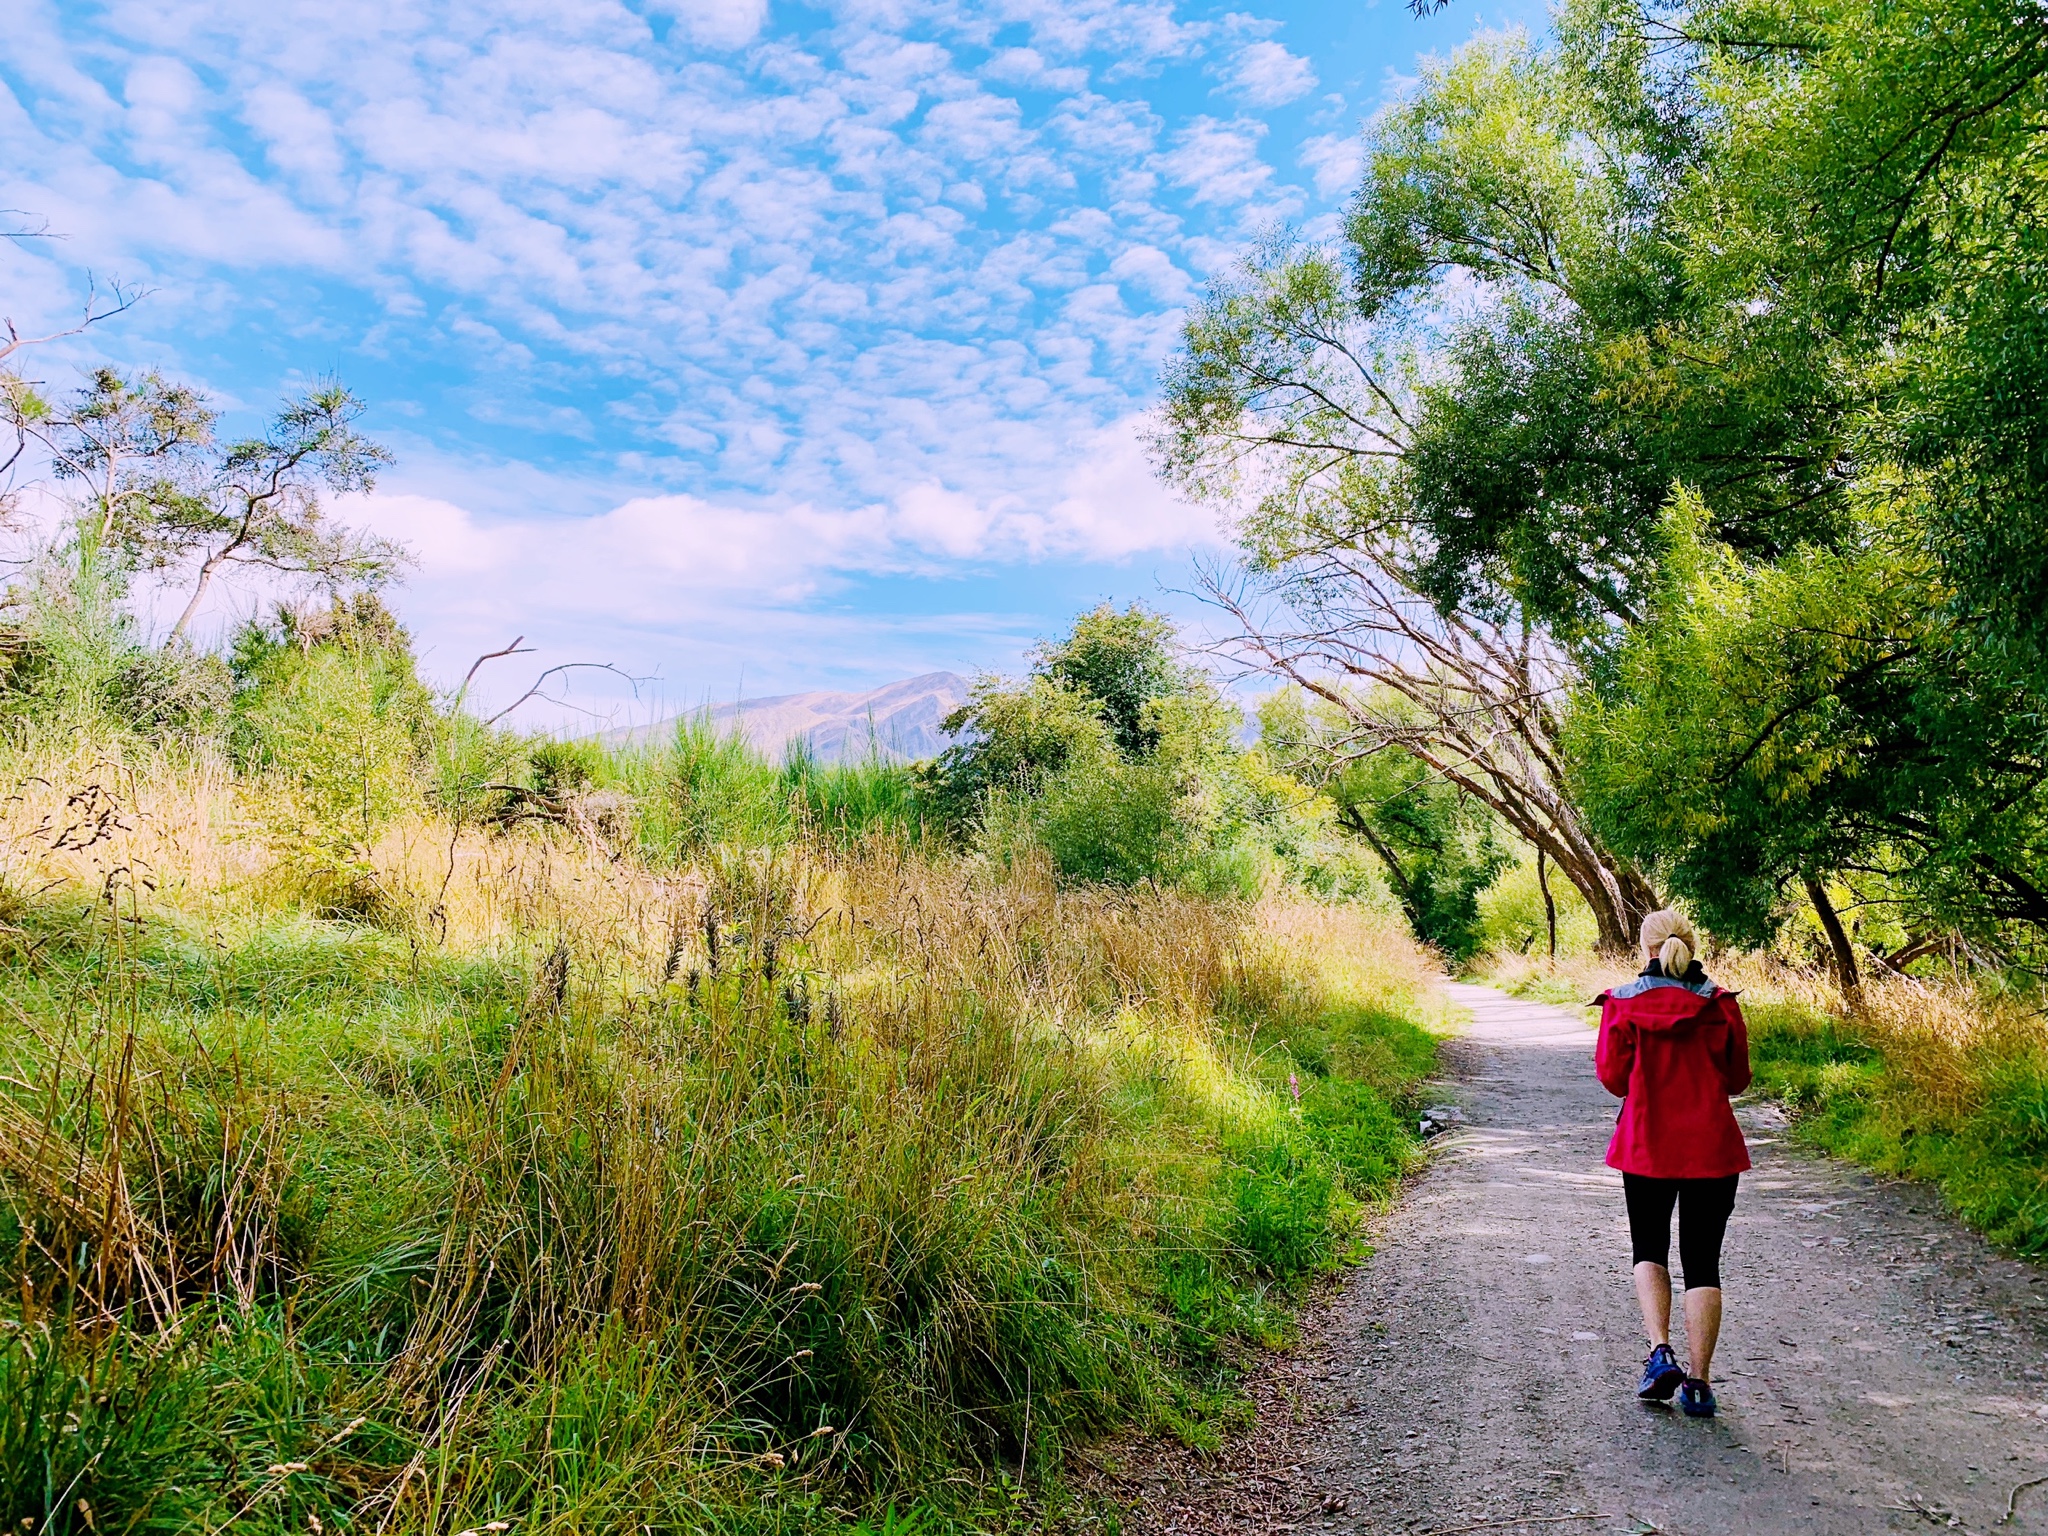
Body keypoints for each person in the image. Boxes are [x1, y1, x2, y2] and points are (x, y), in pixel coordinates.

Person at [1594, 909, 1752, 1418]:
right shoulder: (1720, 1005)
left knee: (1649, 1249)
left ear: (1646, 950)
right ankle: (1700, 1384)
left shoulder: (1621, 1004)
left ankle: (1660, 1353)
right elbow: (1737, 1080)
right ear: (1690, 944)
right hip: (1711, 1149)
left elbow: (1614, 1079)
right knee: (1704, 1263)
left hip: (1647, 1146)